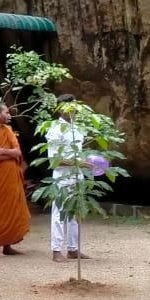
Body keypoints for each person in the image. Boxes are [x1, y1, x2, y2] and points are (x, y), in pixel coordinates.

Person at [0, 103, 30, 256]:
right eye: (6, 112)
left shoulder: (8, 130)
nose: (9, 115)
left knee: (12, 207)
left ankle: (7, 245)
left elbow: (18, 152)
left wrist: (3, 151)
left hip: (11, 173)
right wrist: (9, 153)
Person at [45, 95, 87, 263]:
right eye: (68, 106)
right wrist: (81, 163)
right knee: (59, 212)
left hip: (77, 174)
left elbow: (79, 153)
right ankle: (56, 250)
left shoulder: (77, 128)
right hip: (62, 176)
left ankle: (73, 249)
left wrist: (88, 163)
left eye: (74, 106)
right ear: (60, 109)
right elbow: (54, 161)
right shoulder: (55, 129)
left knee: (75, 211)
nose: (72, 110)